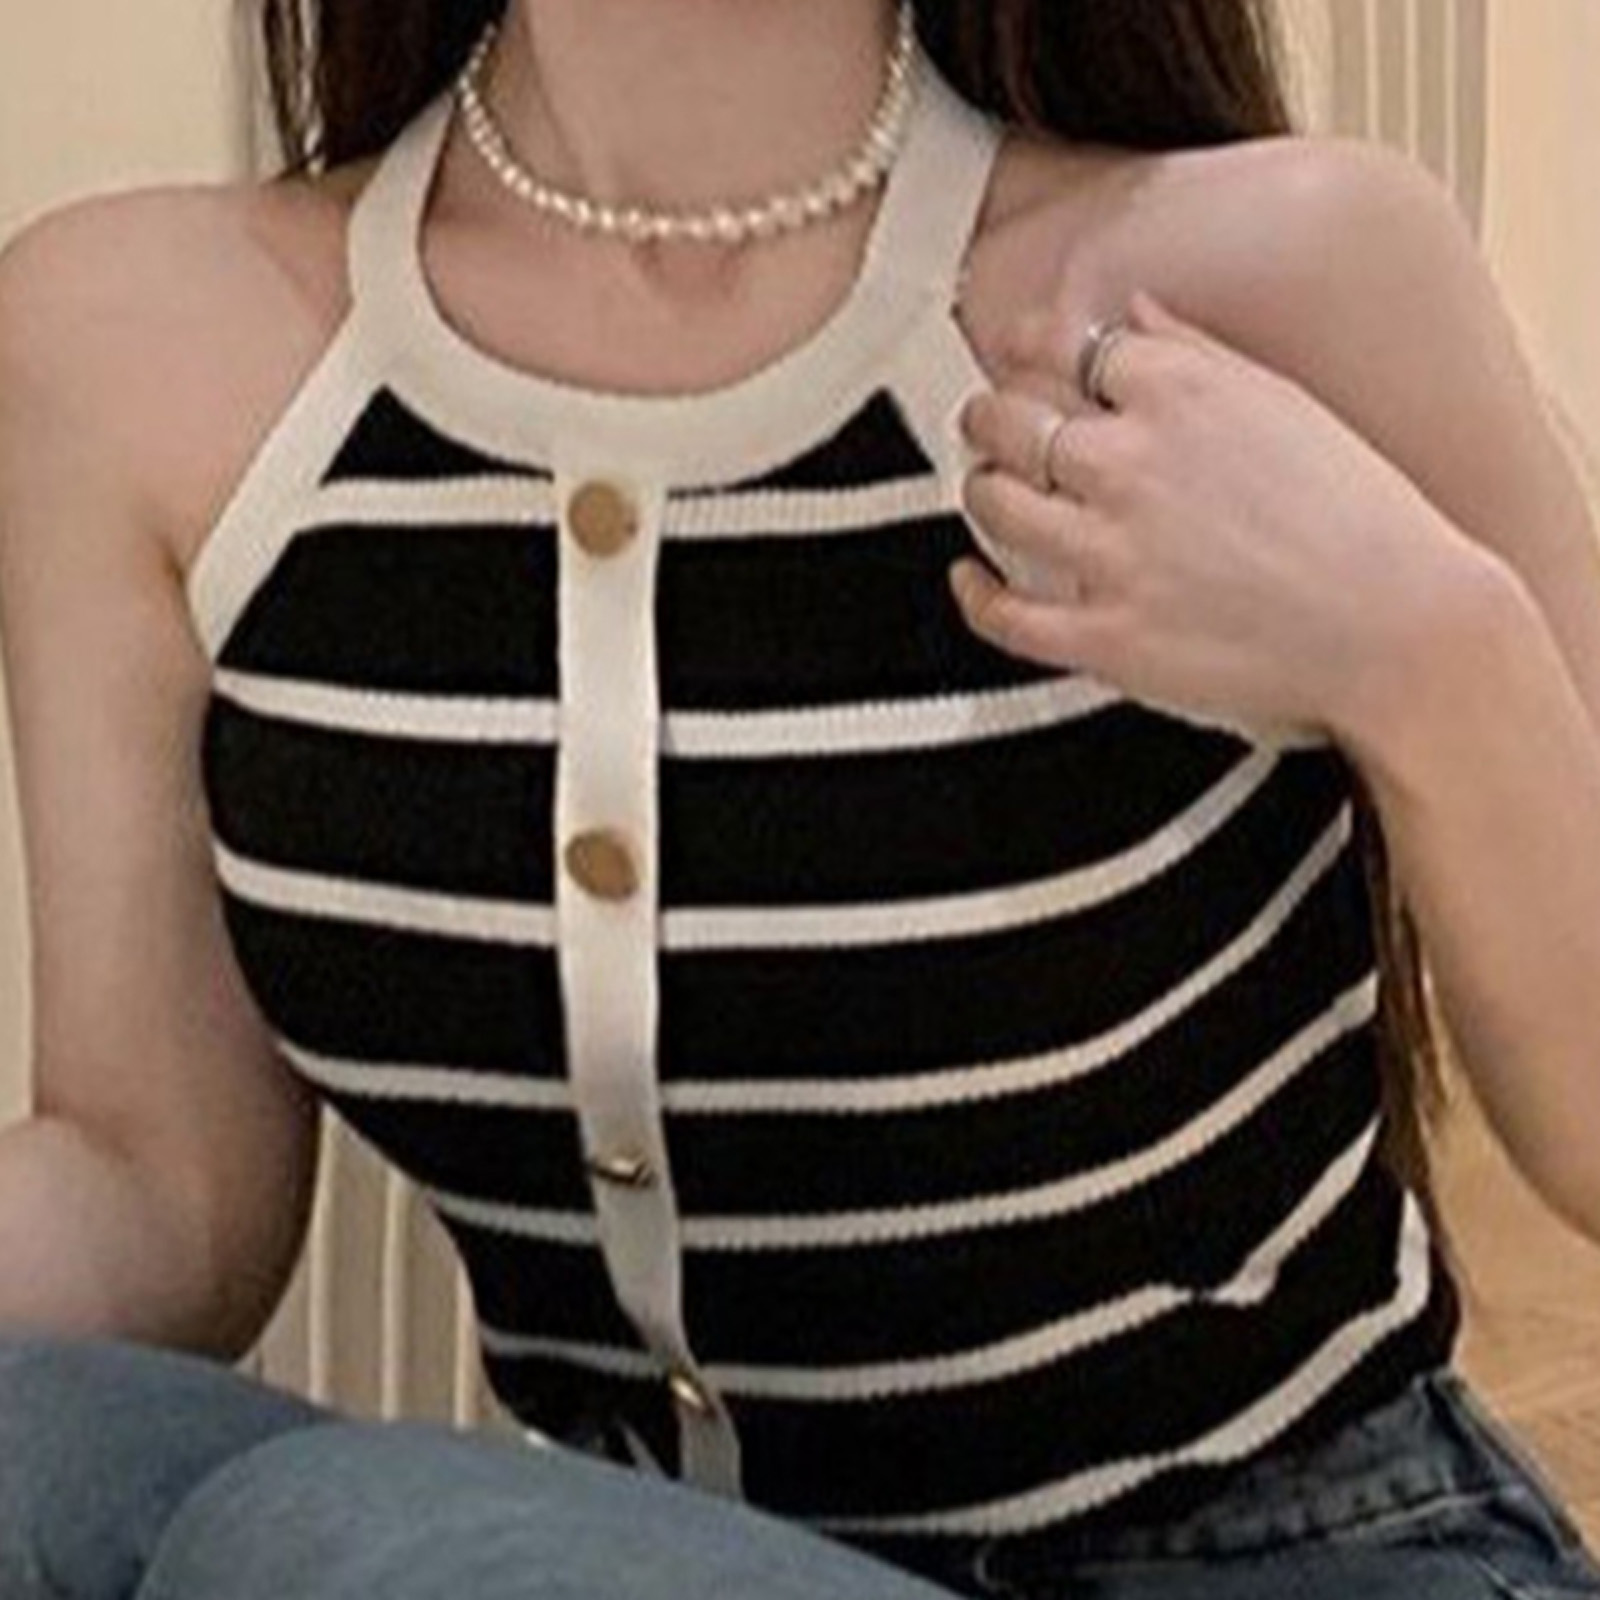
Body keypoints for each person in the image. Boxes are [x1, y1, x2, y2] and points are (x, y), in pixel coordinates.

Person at [2, 1, 1599, 1596]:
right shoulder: (136, 349)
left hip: (1287, 1565)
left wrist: (1431, 651)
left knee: (336, 1538)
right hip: (622, 1565)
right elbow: (161, 1184)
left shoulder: (1271, 273)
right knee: (43, 1454)